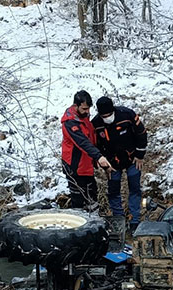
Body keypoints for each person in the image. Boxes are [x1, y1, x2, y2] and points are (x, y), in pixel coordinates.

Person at [91, 96, 148, 231]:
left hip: (132, 159)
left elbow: (142, 134)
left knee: (134, 188)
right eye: (103, 115)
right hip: (111, 164)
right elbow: (95, 146)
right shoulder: (96, 124)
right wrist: (102, 164)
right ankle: (119, 220)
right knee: (113, 191)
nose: (107, 117)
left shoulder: (127, 115)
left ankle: (134, 220)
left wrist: (140, 155)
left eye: (109, 115)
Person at [61, 90, 112, 209]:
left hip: (86, 164)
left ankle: (93, 220)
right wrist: (99, 157)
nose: (87, 112)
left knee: (92, 195)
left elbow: (92, 138)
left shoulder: (83, 117)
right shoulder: (70, 122)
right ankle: (77, 223)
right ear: (76, 106)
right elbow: (82, 142)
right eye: (84, 109)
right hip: (74, 166)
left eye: (89, 108)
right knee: (78, 200)